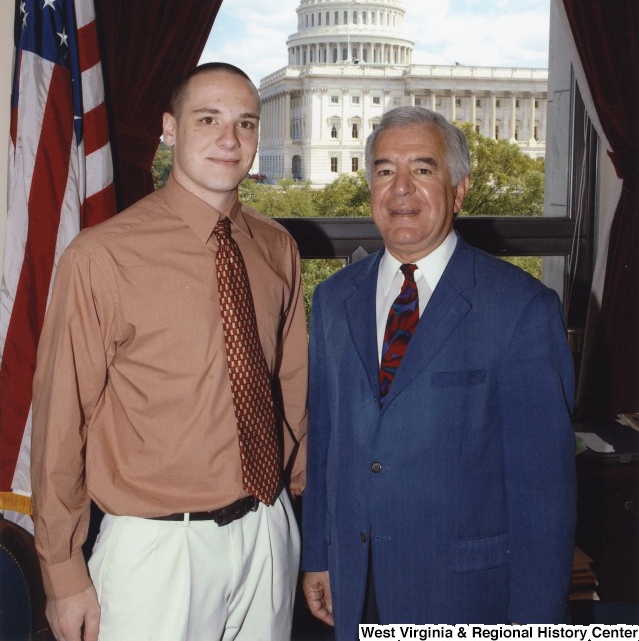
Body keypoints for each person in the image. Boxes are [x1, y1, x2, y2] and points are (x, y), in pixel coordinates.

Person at [31, 62, 307, 641]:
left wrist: (302, 508)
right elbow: (61, 421)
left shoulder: (276, 246)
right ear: (170, 128)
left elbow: (292, 385)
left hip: (267, 533)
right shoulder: (101, 256)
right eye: (208, 119)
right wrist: (62, 570)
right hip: (156, 551)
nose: (229, 140)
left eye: (246, 123)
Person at [301, 106, 576, 638]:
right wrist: (318, 553)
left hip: (467, 598)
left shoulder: (521, 308)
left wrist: (539, 624)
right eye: (384, 171)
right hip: (357, 589)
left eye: (423, 170)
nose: (400, 188)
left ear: (459, 190)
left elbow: (544, 494)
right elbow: (326, 443)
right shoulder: (334, 299)